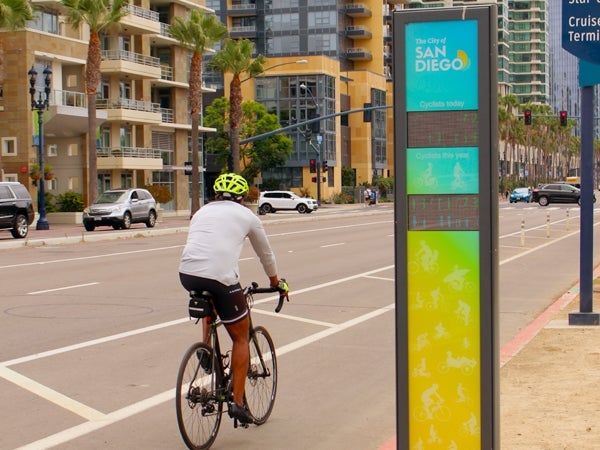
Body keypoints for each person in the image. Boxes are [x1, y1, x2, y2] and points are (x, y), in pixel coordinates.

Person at [179, 173, 286, 424]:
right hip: (220, 277)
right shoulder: (248, 216)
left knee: (211, 304)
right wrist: (275, 283)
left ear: (216, 195)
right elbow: (266, 255)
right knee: (240, 337)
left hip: (187, 273)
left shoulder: (201, 212)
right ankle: (237, 403)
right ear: (242, 198)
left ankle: (206, 347)